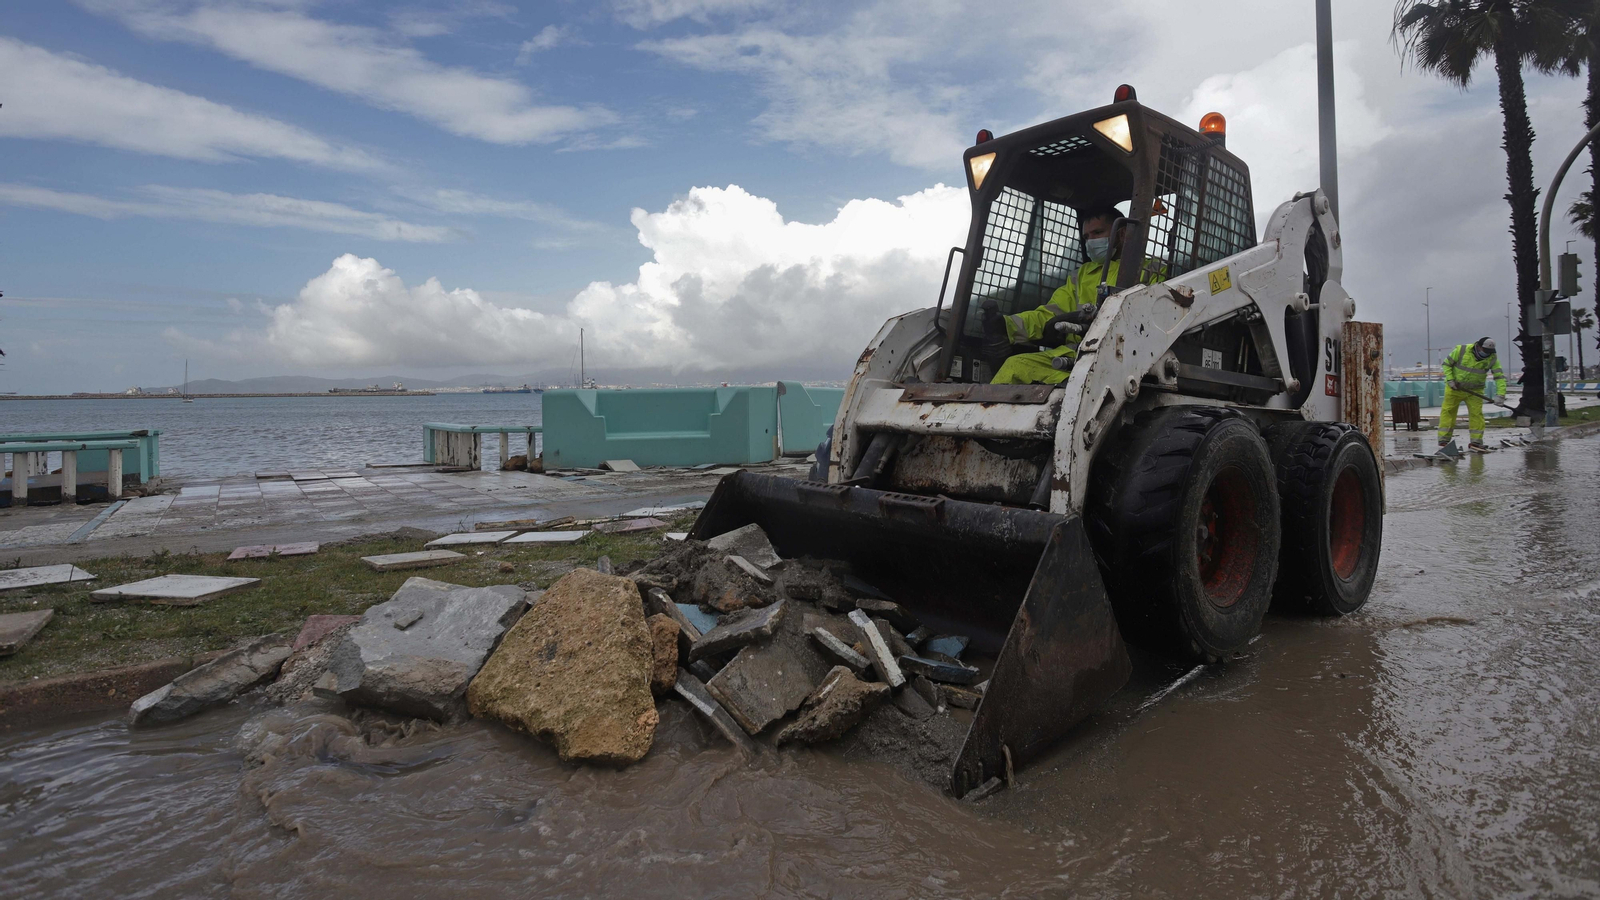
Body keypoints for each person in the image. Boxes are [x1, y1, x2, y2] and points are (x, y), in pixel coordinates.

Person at [981, 207, 1163, 384]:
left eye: (1097, 233)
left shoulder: (1152, 270)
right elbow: (1048, 314)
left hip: (1127, 357)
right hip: (1076, 355)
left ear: (1122, 234)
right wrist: (1007, 325)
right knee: (1014, 366)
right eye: (1086, 237)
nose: (1090, 241)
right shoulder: (1082, 275)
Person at [1438, 336, 1507, 450]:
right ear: (1478, 347)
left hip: (1475, 391)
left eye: (1489, 352)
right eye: (1485, 351)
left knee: (1476, 415)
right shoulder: (1462, 350)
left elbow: (1499, 377)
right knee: (1448, 412)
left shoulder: (1492, 358)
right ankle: (1443, 440)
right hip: (1454, 388)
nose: (1487, 354)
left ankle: (1476, 442)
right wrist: (1450, 380)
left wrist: (1501, 395)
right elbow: (1446, 364)